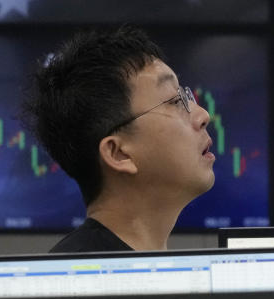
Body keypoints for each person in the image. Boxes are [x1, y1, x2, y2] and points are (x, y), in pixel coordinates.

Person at [21, 26, 216, 252]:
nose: (203, 115)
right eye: (174, 101)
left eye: (185, 95)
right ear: (118, 153)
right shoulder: (71, 279)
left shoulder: (144, 269)